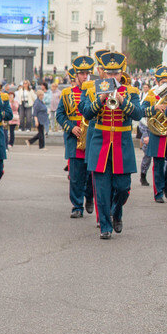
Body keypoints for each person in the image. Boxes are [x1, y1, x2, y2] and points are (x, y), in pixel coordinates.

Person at [80, 51, 142, 239]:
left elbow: (138, 114)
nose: (113, 77)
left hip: (122, 145)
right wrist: (101, 98)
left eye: (116, 73)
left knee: (123, 187)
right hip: (101, 144)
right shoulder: (92, 90)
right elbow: (86, 113)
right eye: (109, 73)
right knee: (103, 189)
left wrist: (122, 101)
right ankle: (105, 227)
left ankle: (117, 212)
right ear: (104, 73)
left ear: (121, 73)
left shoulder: (131, 92)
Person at [56, 56, 95, 219]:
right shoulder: (66, 93)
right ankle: (77, 205)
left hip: (91, 139)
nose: (85, 77)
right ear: (76, 75)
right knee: (75, 176)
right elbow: (59, 115)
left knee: (91, 175)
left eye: (87, 73)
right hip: (75, 139)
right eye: (82, 74)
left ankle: (90, 198)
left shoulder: (95, 91)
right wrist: (71, 128)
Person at [141, 65, 167, 203]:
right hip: (156, 132)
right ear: (157, 82)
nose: (165, 84)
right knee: (158, 163)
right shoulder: (151, 95)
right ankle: (158, 193)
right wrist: (156, 107)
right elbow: (142, 110)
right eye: (162, 81)